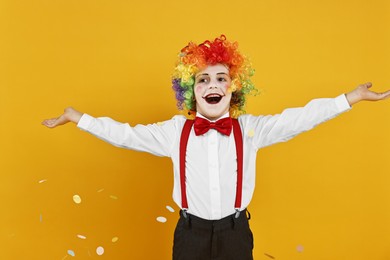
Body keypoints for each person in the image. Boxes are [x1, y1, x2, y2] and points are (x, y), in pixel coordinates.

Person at [42, 35, 390, 260]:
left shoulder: (251, 129)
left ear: (234, 88)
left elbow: (299, 118)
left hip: (236, 233)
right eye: (203, 79)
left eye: (221, 78)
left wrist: (350, 99)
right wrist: (79, 118)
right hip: (189, 235)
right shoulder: (174, 131)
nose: (212, 85)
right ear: (190, 90)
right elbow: (125, 134)